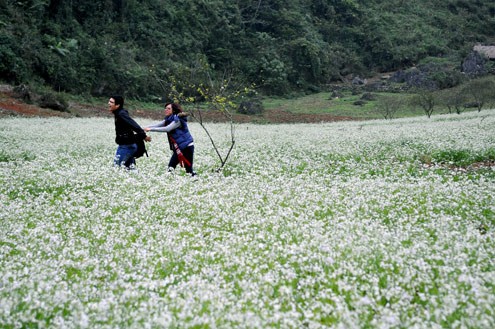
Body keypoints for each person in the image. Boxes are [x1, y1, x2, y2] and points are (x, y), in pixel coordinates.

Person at [145, 102, 196, 176]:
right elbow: (157, 125)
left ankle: (193, 179)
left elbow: (167, 129)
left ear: (174, 110)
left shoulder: (177, 120)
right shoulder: (168, 119)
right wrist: (142, 128)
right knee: (185, 169)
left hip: (186, 146)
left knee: (174, 167)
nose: (166, 110)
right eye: (165, 108)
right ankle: (193, 178)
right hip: (181, 146)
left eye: (169, 109)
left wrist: (150, 129)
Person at [109, 95, 151, 169]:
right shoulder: (119, 113)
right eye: (109, 101)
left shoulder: (121, 114)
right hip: (128, 144)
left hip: (126, 146)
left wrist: (144, 136)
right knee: (130, 169)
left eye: (111, 102)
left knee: (117, 168)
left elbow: (133, 124)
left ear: (117, 105)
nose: (109, 103)